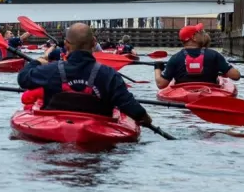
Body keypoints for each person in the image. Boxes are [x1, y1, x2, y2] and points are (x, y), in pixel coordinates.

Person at [17, 23, 152, 125]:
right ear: (94, 43)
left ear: (66, 45)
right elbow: (134, 110)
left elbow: (23, 79)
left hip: (55, 133)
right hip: (97, 134)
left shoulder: (51, 70)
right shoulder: (109, 75)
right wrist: (147, 121)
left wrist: (38, 62)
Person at [155, 24, 240, 90]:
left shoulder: (175, 58)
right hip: (209, 93)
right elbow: (236, 76)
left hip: (183, 94)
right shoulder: (214, 55)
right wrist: (223, 69)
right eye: (200, 33)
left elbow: (161, 84)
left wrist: (157, 68)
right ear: (193, 37)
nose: (203, 34)